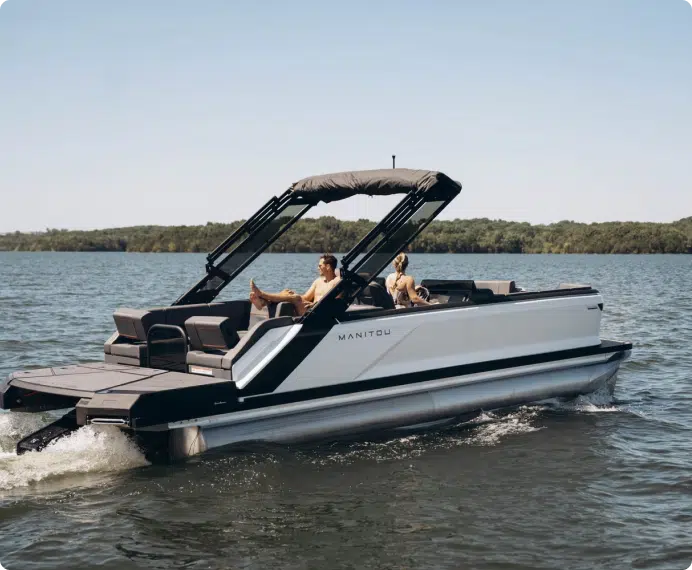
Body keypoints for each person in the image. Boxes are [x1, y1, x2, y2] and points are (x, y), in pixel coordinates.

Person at [250, 253, 341, 316]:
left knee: (296, 298)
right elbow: (305, 297)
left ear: (328, 267)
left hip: (318, 314)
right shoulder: (318, 281)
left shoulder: (336, 282)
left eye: (320, 266)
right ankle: (263, 302)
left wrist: (315, 305)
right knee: (287, 292)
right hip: (308, 309)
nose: (318, 268)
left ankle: (262, 294)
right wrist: (291, 295)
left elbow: (335, 303)